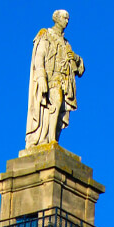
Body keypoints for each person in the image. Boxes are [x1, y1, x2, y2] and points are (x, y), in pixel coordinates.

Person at [25, 10, 85, 148]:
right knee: (55, 104)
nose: (67, 21)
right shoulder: (46, 35)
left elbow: (80, 66)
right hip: (52, 79)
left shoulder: (66, 43)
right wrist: (41, 78)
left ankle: (53, 138)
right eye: (65, 18)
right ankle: (51, 139)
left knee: (60, 112)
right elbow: (39, 57)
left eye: (68, 19)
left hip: (64, 82)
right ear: (57, 18)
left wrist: (75, 59)